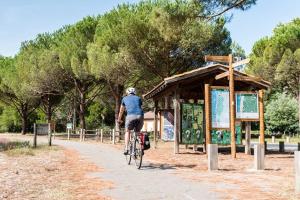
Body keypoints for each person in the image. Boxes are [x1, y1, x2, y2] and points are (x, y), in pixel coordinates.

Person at [118, 87, 144, 155]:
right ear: (135, 92)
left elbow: (121, 111)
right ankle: (141, 147)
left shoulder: (124, 98)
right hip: (140, 115)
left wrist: (119, 119)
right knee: (138, 132)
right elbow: (140, 108)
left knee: (127, 131)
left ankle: (126, 148)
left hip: (130, 116)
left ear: (127, 92)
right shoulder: (138, 98)